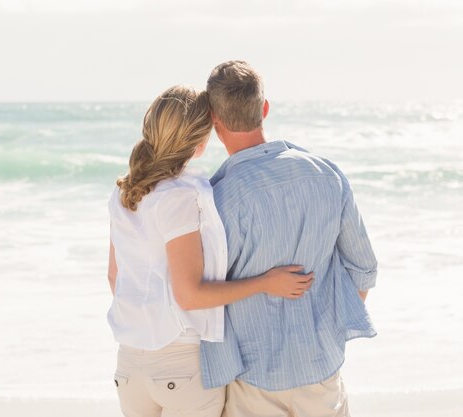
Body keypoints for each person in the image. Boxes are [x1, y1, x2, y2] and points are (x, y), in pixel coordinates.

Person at [107, 85, 314, 417]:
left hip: (129, 365)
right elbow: (190, 295)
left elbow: (115, 277)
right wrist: (265, 282)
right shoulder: (180, 196)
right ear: (200, 143)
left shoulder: (124, 192)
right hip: (181, 367)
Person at [199, 61, 378, 417]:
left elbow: (204, 295)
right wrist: (324, 331)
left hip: (254, 375)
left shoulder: (217, 199)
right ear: (264, 109)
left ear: (213, 120)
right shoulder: (326, 173)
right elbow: (364, 269)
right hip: (320, 369)